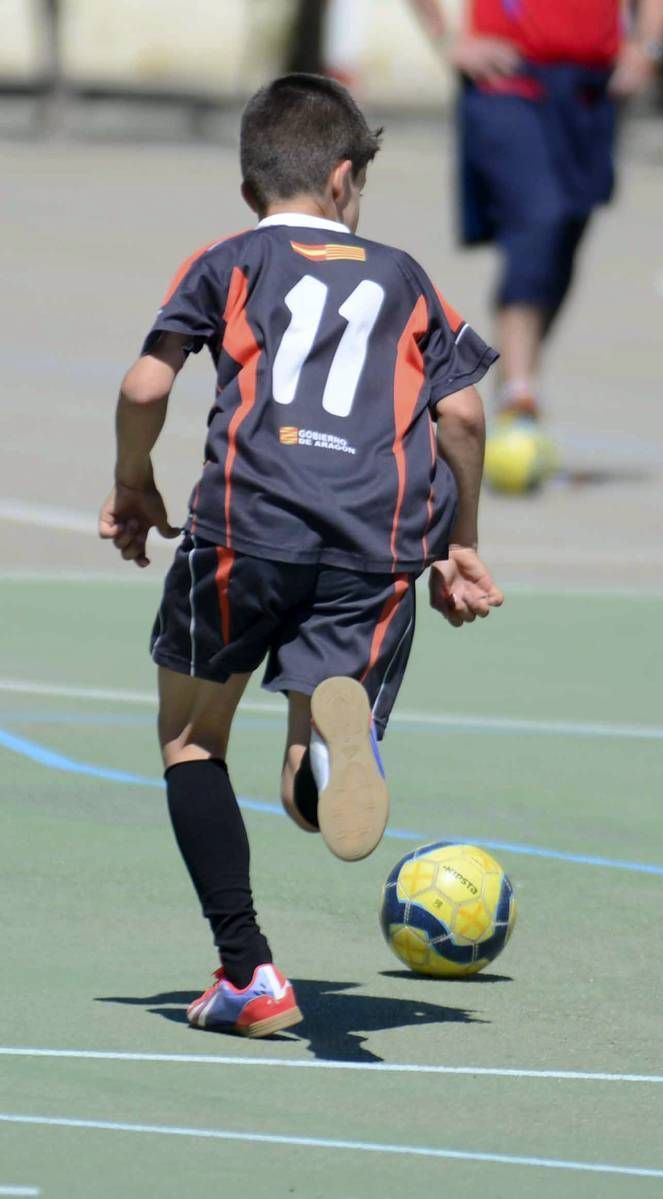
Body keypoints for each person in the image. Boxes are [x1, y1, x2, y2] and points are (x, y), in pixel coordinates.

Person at [98, 73, 503, 1038]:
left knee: (192, 738)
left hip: (250, 526)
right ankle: (328, 747)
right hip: (375, 547)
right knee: (303, 793)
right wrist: (462, 544)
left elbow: (146, 381)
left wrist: (131, 480)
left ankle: (249, 973)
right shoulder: (404, 275)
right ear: (343, 177)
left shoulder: (231, 259)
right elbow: (463, 414)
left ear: (251, 190)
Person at [410, 0, 663, 430]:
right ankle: (520, 396)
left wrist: (649, 47)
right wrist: (448, 39)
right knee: (541, 219)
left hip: (592, 89)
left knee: (567, 233)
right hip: (509, 82)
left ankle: (518, 374)